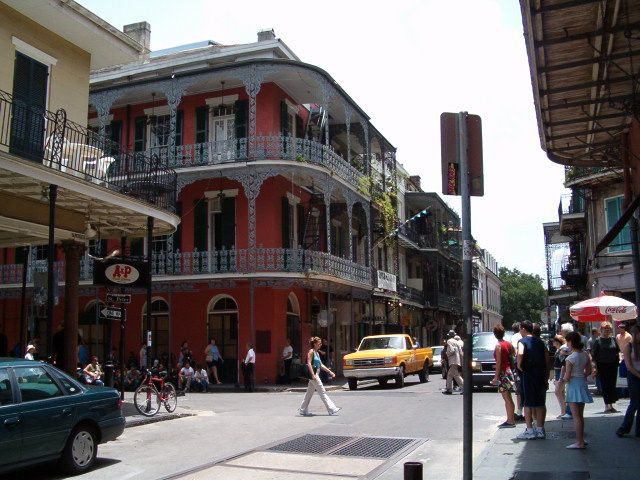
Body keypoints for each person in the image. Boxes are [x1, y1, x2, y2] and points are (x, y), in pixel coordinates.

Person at [515, 320, 548, 440]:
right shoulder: (540, 342)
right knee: (540, 402)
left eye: (520, 328)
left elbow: (521, 353)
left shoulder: (522, 341)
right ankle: (540, 429)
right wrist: (546, 374)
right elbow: (546, 357)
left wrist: (519, 365)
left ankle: (529, 430)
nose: (519, 331)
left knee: (527, 403)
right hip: (540, 375)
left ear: (523, 329)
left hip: (528, 375)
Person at [561, 331, 593, 449]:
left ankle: (579, 441)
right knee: (581, 415)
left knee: (576, 416)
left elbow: (567, 376)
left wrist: (561, 380)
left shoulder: (570, 358)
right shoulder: (584, 354)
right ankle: (581, 440)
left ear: (570, 342)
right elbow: (588, 371)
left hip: (573, 385)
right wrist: (582, 375)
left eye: (567, 342)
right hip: (582, 383)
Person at [298, 336, 341, 416]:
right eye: (319, 343)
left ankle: (302, 410)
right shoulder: (311, 351)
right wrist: (312, 374)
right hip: (314, 374)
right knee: (322, 391)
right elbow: (309, 363)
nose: (320, 344)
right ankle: (331, 408)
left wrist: (330, 372)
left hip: (316, 373)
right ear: (314, 344)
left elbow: (321, 365)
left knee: (309, 393)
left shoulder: (317, 353)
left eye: (321, 343)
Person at [490, 324, 516, 428]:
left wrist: (495, 377)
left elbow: (499, 362)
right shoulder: (508, 344)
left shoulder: (498, 346)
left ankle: (510, 421)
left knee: (506, 398)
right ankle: (511, 419)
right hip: (509, 371)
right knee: (509, 397)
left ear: (495, 334)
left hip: (503, 373)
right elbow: (512, 356)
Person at [591, 321, 620, 413]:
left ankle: (611, 405)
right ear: (601, 330)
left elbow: (617, 351)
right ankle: (607, 405)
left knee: (612, 385)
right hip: (602, 365)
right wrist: (594, 367)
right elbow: (594, 355)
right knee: (605, 385)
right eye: (605, 329)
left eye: (608, 329)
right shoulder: (598, 341)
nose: (607, 331)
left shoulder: (613, 339)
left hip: (613, 365)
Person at [617, 325, 640, 438]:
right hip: (634, 376)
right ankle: (624, 427)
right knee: (634, 402)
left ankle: (638, 430)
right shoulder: (629, 346)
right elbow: (629, 366)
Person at [510, 323, 524, 421]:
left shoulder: (515, 337)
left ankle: (519, 411)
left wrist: (518, 364)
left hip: (519, 364)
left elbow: (517, 350)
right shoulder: (525, 337)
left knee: (519, 389)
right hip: (526, 364)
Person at [552, 335, 567, 418]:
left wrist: (561, 377)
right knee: (561, 392)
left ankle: (563, 411)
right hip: (558, 371)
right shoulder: (558, 350)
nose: (552, 343)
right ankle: (564, 411)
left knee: (558, 392)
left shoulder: (561, 350)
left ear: (557, 342)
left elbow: (563, 364)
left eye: (554, 341)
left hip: (560, 372)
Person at [443, 330, 463, 395]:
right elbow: (460, 352)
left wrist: (447, 353)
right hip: (457, 360)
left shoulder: (449, 341)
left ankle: (464, 388)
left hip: (452, 360)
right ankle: (449, 389)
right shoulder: (457, 342)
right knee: (449, 374)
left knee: (456, 375)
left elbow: (451, 350)